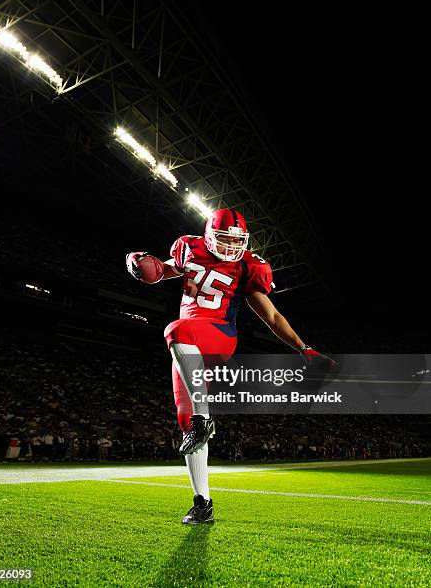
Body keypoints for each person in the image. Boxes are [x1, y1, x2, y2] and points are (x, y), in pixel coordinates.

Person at [126, 208, 334, 525]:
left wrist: (303, 348)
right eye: (224, 238)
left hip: (219, 335)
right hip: (187, 348)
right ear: (209, 235)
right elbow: (167, 270)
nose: (230, 246)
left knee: (176, 330)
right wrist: (144, 266)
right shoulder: (188, 247)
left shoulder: (249, 265)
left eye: (237, 240)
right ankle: (202, 503)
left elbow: (273, 317)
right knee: (186, 425)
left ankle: (203, 417)